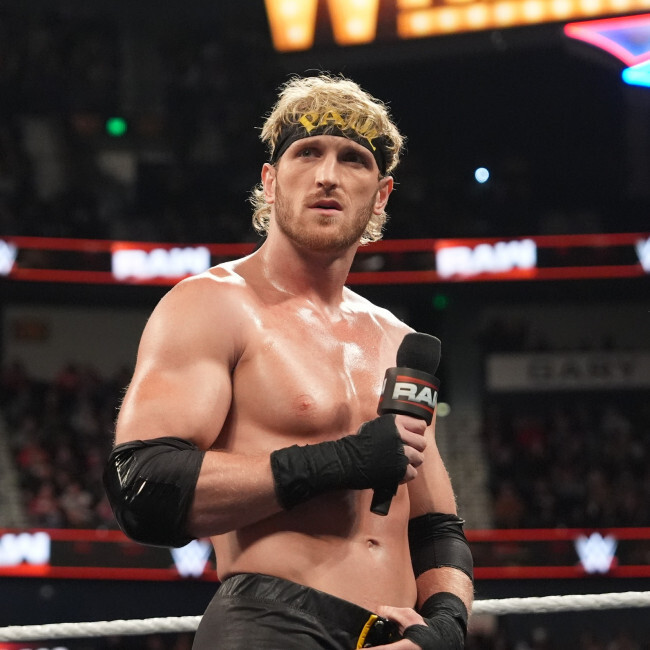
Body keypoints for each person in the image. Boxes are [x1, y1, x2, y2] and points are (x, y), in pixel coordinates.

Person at [104, 73, 474, 649]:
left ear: (381, 195)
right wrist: (341, 460)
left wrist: (446, 626)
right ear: (270, 181)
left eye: (353, 159)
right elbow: (143, 487)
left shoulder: (396, 339)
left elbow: (436, 527)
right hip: (271, 624)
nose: (328, 175)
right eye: (307, 153)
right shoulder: (213, 306)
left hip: (392, 637)